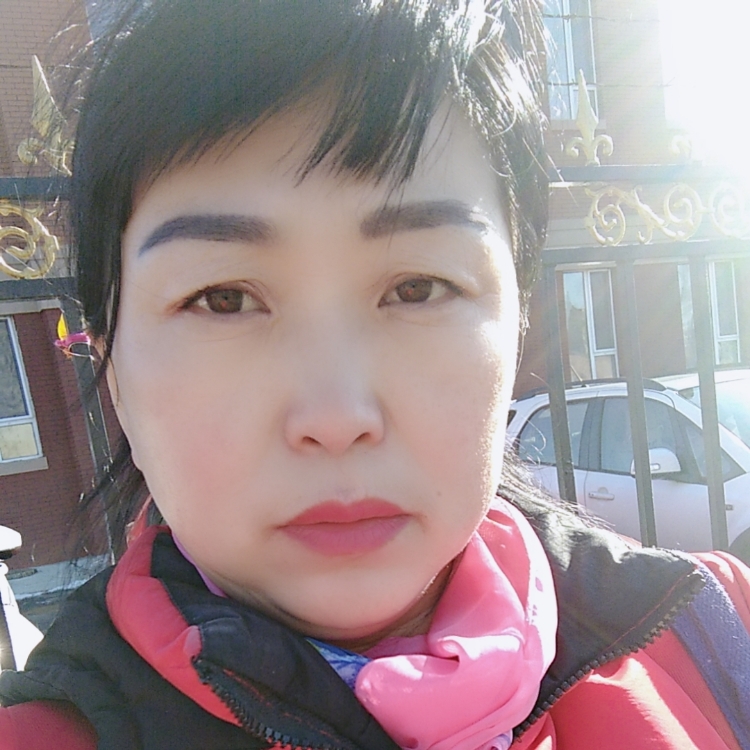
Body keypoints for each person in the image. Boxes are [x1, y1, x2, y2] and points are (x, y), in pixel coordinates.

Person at [1, 0, 749, 748]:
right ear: (114, 374)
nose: (336, 417)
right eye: (223, 299)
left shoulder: (717, 636)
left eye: (417, 288)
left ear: (516, 324)